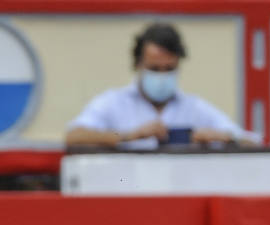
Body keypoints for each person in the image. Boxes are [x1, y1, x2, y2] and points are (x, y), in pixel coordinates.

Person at [65, 22, 259, 150]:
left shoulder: (194, 108)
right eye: (154, 68)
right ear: (138, 64)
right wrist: (130, 136)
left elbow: (253, 143)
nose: (162, 75)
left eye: (169, 68)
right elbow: (74, 137)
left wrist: (223, 138)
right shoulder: (113, 103)